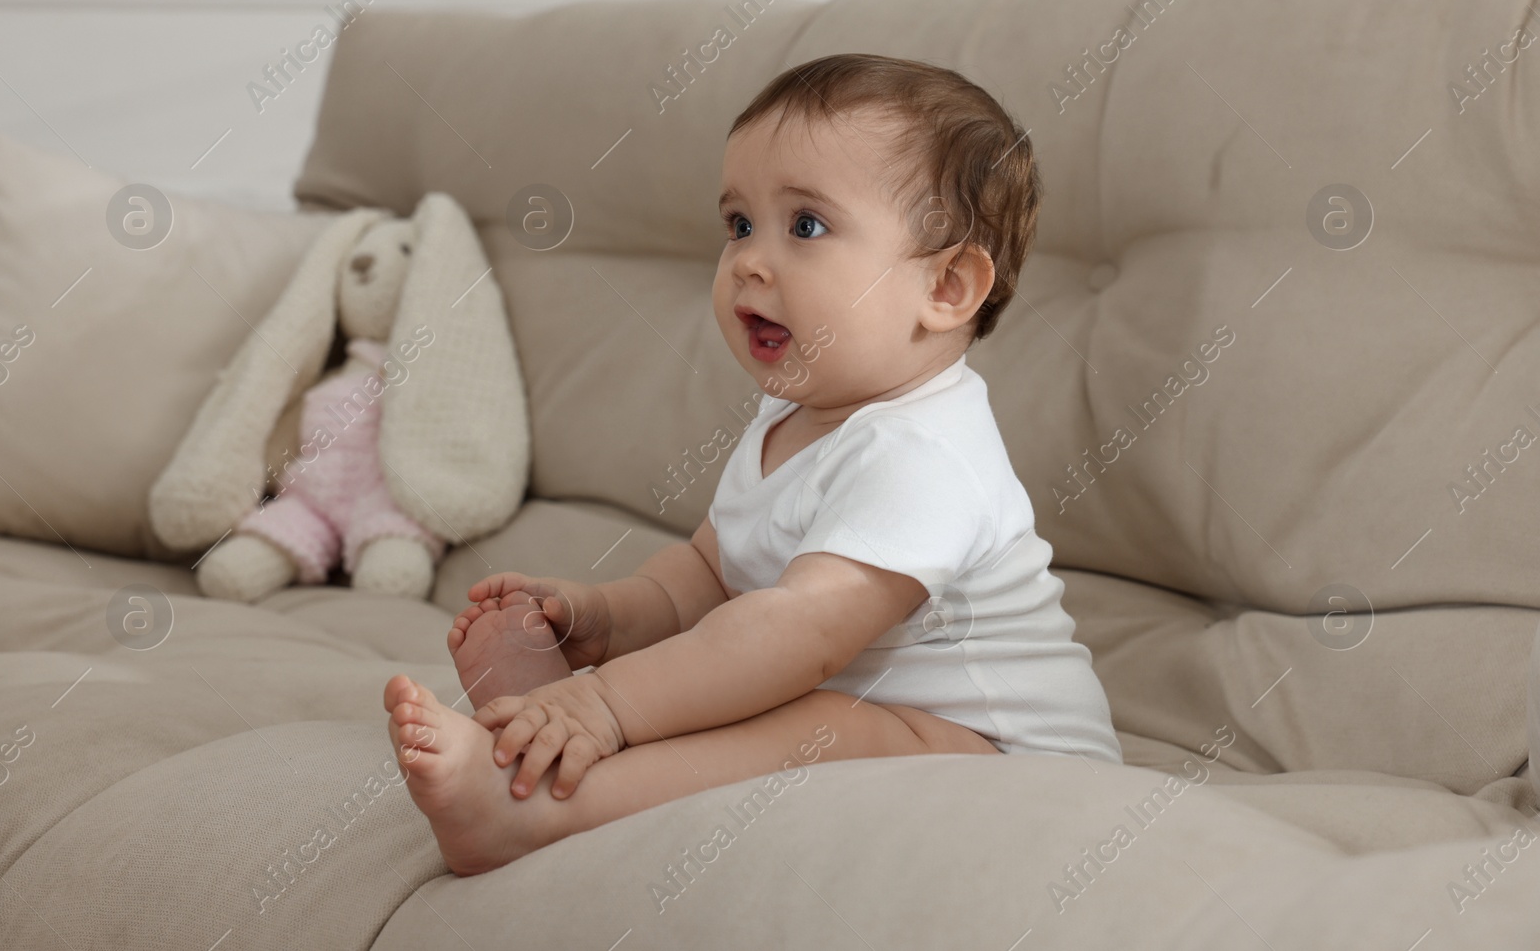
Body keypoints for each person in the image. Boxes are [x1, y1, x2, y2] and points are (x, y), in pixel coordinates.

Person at [382, 52, 1122, 877]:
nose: (749, 262)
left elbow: (792, 635)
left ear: (947, 286)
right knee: (771, 699)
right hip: (877, 713)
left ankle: (532, 810)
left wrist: (609, 701)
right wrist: (603, 618)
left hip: (1016, 769)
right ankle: (537, 737)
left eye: (805, 226)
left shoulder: (924, 454)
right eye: (738, 224)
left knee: (821, 719)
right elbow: (707, 575)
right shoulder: (793, 418)